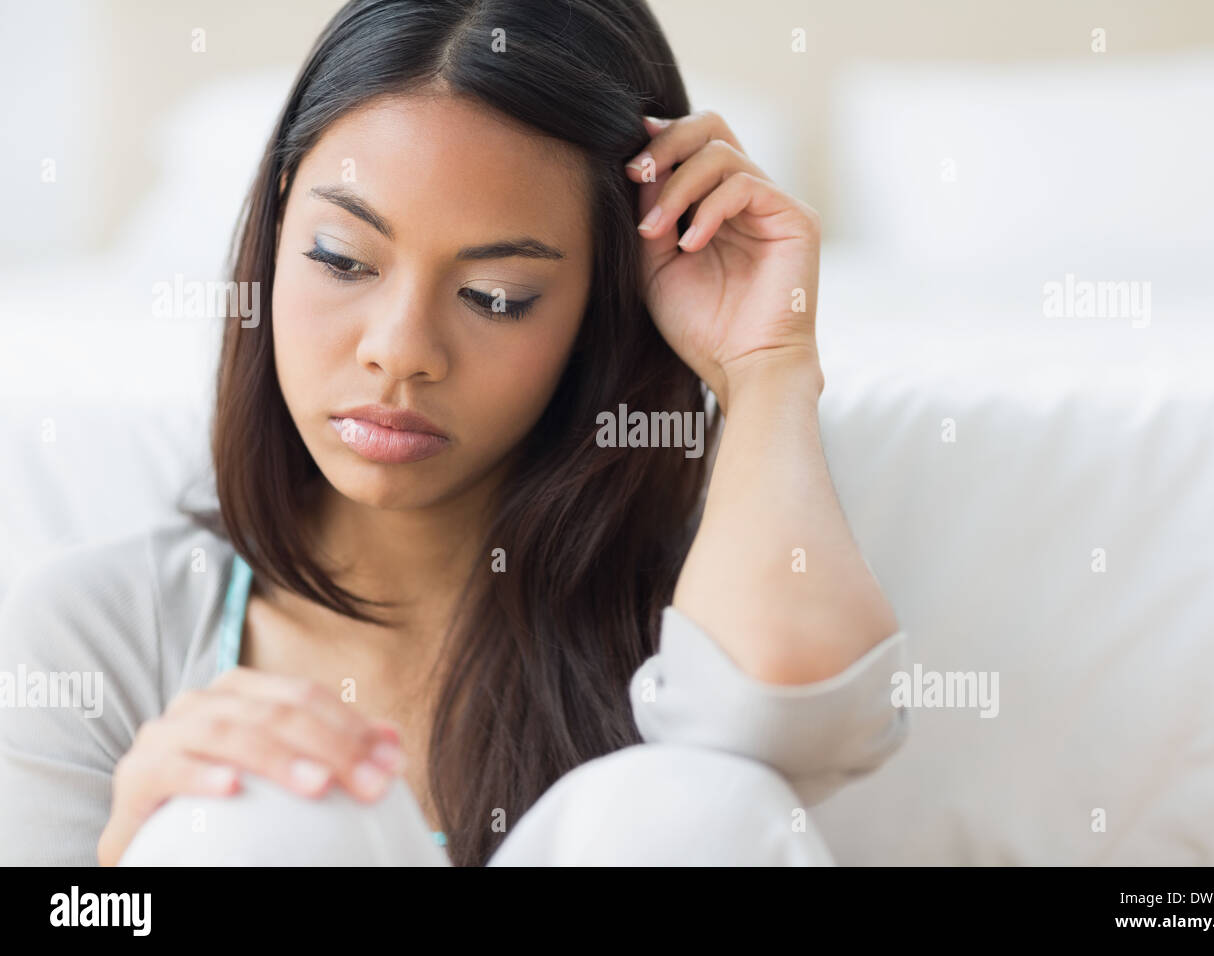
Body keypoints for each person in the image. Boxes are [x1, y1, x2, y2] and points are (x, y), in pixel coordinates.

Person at [0, 0, 909, 867]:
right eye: (341, 260)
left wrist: (767, 366)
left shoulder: (705, 610)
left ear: (600, 309)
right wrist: (127, 873)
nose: (400, 354)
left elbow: (780, 723)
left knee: (699, 802)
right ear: (276, 236)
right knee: (250, 813)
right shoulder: (92, 637)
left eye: (496, 298)